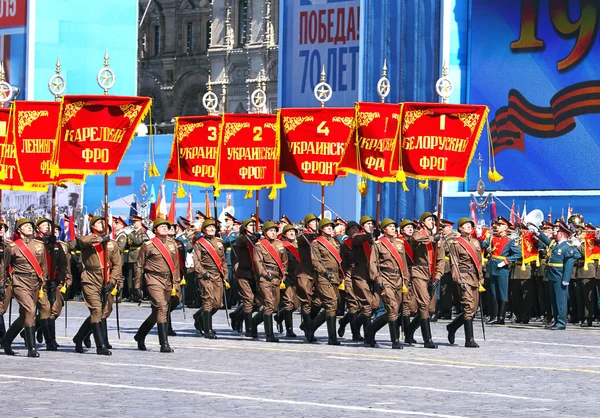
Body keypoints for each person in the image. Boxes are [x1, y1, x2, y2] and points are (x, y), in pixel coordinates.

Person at [72, 216, 121, 355]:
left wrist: (112, 281)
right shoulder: (89, 241)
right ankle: (100, 346)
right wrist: (100, 239)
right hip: (90, 278)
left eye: (104, 222)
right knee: (96, 310)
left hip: (106, 278)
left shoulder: (112, 244)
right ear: (93, 226)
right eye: (99, 222)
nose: (102, 224)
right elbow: (82, 240)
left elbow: (117, 265)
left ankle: (79, 337)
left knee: (103, 311)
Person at [0, 218, 48, 357]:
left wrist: (43, 281)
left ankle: (6, 341)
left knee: (24, 316)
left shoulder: (39, 245)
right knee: (30, 311)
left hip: (35, 283)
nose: (29, 228)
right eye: (25, 226)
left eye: (30, 226)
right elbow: (4, 267)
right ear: (19, 230)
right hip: (19, 282)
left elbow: (44, 266)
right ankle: (31, 348)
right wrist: (2, 285)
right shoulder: (13, 247)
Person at [132, 218, 181, 353]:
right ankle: (164, 344)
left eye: (166, 226)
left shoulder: (172, 244)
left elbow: (176, 266)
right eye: (161, 226)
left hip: (168, 280)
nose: (165, 228)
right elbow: (139, 265)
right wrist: (137, 286)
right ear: (155, 230)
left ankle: (140, 335)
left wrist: (176, 283)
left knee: (158, 312)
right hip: (153, 278)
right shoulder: (148, 245)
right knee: (161, 307)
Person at [366, 218, 410, 349]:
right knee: (392, 307)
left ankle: (370, 330)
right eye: (390, 226)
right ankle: (395, 341)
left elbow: (404, 264)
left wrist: (406, 279)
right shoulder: (378, 244)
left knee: (394, 310)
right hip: (385, 278)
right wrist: (377, 279)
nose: (392, 228)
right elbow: (372, 263)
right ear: (384, 229)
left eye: (393, 226)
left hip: (398, 279)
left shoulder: (400, 244)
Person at [530, 221, 580, 330]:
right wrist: (537, 232)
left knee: (560, 300)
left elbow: (569, 264)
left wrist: (566, 279)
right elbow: (545, 240)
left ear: (561, 234)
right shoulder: (556, 245)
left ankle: (561, 322)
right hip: (552, 275)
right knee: (554, 299)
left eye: (556, 232)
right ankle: (556, 320)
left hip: (560, 275)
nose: (554, 234)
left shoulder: (567, 247)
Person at [406, 212, 445, 348]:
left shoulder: (438, 240)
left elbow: (440, 260)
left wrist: (438, 277)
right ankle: (427, 339)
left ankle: (409, 330)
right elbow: (415, 238)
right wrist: (431, 238)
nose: (432, 222)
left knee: (431, 308)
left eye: (433, 220)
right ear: (423, 222)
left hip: (432, 274)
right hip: (419, 272)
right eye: (429, 220)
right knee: (423, 304)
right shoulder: (419, 234)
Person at [446, 218, 484, 348]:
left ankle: (452, 327)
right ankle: (469, 339)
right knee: (468, 306)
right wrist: (458, 279)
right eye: (465, 225)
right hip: (463, 276)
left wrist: (481, 278)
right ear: (460, 229)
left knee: (473, 309)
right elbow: (454, 263)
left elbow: (479, 262)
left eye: (470, 225)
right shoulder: (456, 243)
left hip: (474, 276)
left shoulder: (475, 242)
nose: (468, 227)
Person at [479, 217, 521, 324]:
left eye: (500, 225)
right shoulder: (492, 238)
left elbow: (518, 254)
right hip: (492, 268)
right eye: (497, 225)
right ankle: (493, 317)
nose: (497, 226)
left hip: (502, 269)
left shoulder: (510, 241)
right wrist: (479, 236)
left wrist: (507, 261)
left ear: (506, 227)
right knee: (493, 293)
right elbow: (483, 245)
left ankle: (501, 318)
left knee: (503, 294)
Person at [251, 221, 288, 342]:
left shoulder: (280, 244)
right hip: (265, 277)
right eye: (270, 230)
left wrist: (284, 275)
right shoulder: (259, 245)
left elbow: (284, 261)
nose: (273, 233)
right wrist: (264, 274)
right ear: (265, 232)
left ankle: (253, 322)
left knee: (274, 305)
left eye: (274, 230)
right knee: (268, 304)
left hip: (277, 277)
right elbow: (258, 262)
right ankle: (269, 334)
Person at [35, 218, 68, 351]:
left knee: (55, 310)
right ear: (38, 228)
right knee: (45, 310)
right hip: (40, 282)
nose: (48, 227)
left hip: (54, 282)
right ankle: (50, 341)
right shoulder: (35, 243)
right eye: (44, 225)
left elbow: (63, 264)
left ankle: (32, 331)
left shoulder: (56, 244)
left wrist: (58, 279)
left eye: (49, 225)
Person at [309, 218, 344, 345]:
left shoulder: (335, 242)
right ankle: (332, 337)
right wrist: (324, 271)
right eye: (327, 226)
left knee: (333, 305)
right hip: (324, 276)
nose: (330, 228)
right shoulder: (316, 243)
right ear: (321, 229)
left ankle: (311, 328)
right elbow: (315, 261)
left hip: (335, 276)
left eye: (331, 226)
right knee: (331, 304)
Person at [193, 218, 229, 339]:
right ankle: (207, 329)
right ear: (204, 230)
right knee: (208, 301)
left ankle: (200, 318)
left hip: (218, 274)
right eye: (209, 227)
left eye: (213, 227)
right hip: (206, 275)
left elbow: (223, 260)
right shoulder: (200, 243)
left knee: (218, 304)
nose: (212, 229)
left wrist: (225, 273)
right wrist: (202, 273)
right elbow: (196, 261)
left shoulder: (219, 242)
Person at [227, 219, 258, 337]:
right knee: (249, 299)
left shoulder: (256, 239)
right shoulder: (241, 239)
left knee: (257, 301)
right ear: (245, 228)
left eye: (254, 225)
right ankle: (249, 328)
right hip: (243, 274)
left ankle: (237, 315)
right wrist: (255, 237)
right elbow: (243, 241)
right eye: (251, 225)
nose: (253, 227)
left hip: (255, 274)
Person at [351, 216, 380, 341]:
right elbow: (358, 240)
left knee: (376, 305)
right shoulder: (358, 237)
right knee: (367, 305)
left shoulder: (375, 239)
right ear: (362, 226)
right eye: (368, 224)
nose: (370, 225)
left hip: (373, 275)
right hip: (360, 274)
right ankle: (369, 335)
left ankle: (356, 323)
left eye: (372, 224)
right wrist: (370, 236)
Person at [337, 220, 363, 341]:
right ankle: (355, 333)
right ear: (347, 231)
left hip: (362, 275)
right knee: (353, 305)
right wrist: (343, 278)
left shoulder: (363, 243)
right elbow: (342, 263)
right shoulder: (345, 245)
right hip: (350, 275)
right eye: (352, 229)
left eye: (357, 228)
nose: (355, 230)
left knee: (363, 305)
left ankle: (343, 321)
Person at [296, 214, 320, 342]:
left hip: (317, 273)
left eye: (317, 222)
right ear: (307, 225)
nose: (316, 224)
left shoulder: (320, 238)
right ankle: (309, 332)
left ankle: (307, 324)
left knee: (318, 302)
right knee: (306, 302)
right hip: (304, 273)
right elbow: (305, 238)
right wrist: (317, 235)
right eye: (313, 222)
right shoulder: (303, 236)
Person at [279, 224, 300, 337]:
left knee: (296, 304)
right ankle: (289, 329)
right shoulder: (282, 246)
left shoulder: (298, 246)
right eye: (289, 232)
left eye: (293, 231)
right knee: (289, 303)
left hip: (296, 277)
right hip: (286, 277)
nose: (292, 233)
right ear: (285, 234)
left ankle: (279, 317)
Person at [124, 215, 147, 300]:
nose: (134, 224)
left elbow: (138, 241)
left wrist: (129, 234)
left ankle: (138, 294)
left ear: (140, 222)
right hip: (131, 256)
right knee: (130, 277)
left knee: (137, 276)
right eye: (133, 222)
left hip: (137, 256)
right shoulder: (133, 232)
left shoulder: (143, 232)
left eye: (135, 222)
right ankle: (131, 294)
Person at [0, 219, 11, 340]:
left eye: (3, 228)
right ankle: (3, 337)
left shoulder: (9, 245)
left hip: (6, 282)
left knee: (2, 309)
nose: (1, 230)